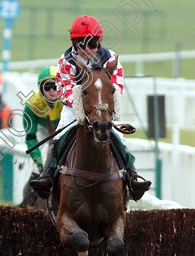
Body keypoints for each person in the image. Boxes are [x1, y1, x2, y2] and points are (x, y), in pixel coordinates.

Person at [30, 15, 151, 201]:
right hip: (74, 108)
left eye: (92, 43)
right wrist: (83, 109)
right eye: (81, 43)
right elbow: (64, 89)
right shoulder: (66, 61)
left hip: (103, 107)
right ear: (73, 43)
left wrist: (98, 108)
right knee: (58, 137)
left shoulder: (112, 59)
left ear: (99, 41)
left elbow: (116, 88)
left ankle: (132, 177)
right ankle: (47, 177)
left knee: (118, 136)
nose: (87, 49)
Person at [24, 66, 64, 173]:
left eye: (55, 86)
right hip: (43, 130)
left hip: (63, 129)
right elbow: (30, 137)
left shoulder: (67, 100)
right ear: (41, 89)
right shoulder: (31, 104)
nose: (51, 91)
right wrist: (39, 164)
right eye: (47, 87)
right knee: (36, 168)